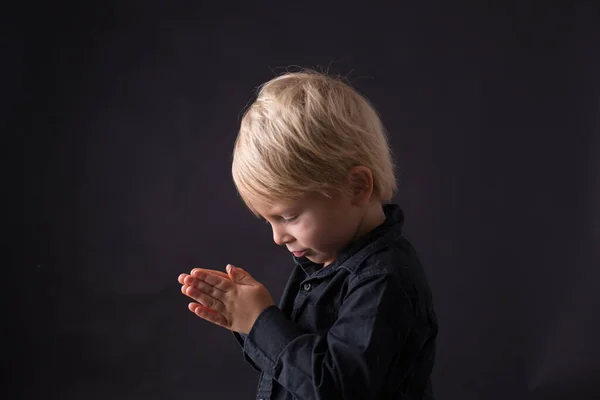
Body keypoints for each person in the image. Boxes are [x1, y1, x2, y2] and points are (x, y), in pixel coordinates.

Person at [177, 70, 438, 399]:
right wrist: (245, 321)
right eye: (268, 221)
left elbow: (333, 388)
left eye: (288, 217)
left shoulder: (384, 280)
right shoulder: (322, 262)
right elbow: (295, 373)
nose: (277, 237)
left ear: (357, 187)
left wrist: (262, 323)